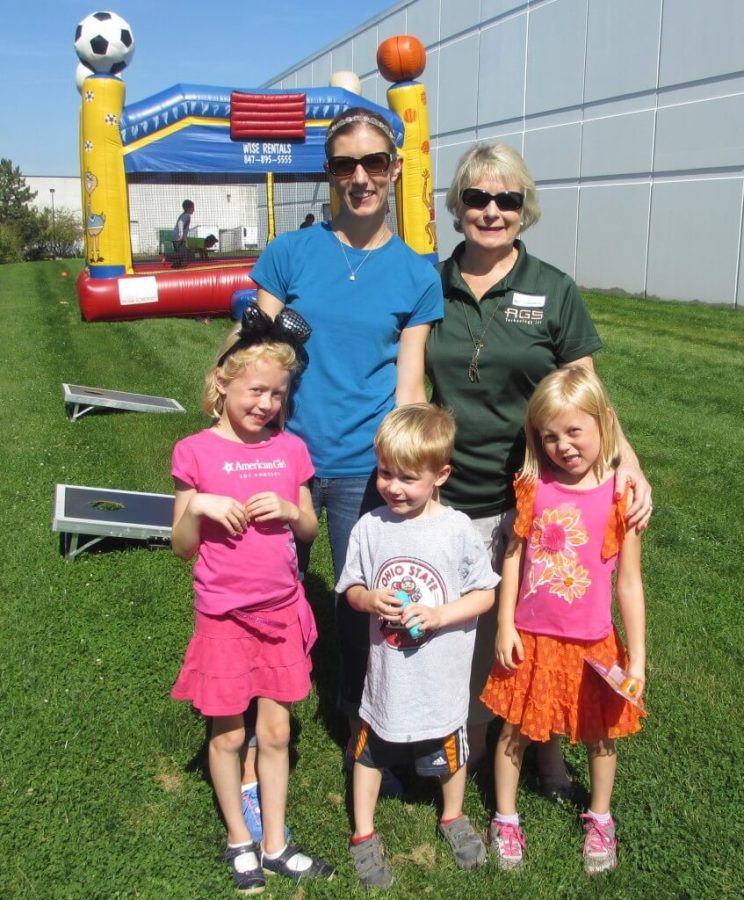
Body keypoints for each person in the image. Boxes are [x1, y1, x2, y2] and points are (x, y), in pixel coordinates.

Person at [425, 143, 652, 785]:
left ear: (525, 209)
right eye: (477, 198)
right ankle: (463, 748)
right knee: (464, 635)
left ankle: (543, 748)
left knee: (544, 626)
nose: (491, 211)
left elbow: (588, 394)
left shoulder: (553, 289)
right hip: (450, 492)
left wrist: (628, 464)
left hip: (537, 494)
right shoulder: (430, 284)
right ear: (457, 206)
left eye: (508, 199)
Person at [252, 107, 443, 755]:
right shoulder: (290, 253)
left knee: (363, 605)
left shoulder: (416, 275)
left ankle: (361, 722)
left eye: (373, 163)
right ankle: (263, 714)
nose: (360, 177)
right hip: (286, 460)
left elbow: (409, 386)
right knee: (270, 590)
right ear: (330, 173)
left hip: (367, 466)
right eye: (344, 165)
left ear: (394, 169)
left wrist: (419, 477)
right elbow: (252, 357)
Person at [170, 305, 334, 894]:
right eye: (255, 390)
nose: (266, 404)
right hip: (224, 615)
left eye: (277, 394)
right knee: (227, 734)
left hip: (281, 609)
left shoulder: (291, 450)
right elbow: (181, 547)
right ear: (222, 382)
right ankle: (240, 839)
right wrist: (199, 506)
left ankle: (276, 843)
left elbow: (309, 527)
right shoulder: (194, 452)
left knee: (277, 733)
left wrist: (292, 509)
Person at [480, 365, 646, 875]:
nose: (563, 446)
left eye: (574, 431)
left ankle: (600, 818)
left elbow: (629, 584)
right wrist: (505, 624)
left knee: (600, 735)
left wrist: (637, 659)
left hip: (594, 642)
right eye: (549, 436)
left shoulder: (621, 497)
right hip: (531, 638)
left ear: (604, 422)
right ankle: (505, 819)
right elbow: (513, 557)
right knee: (514, 731)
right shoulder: (533, 488)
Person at [336, 404, 499, 889]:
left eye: (408, 478)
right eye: (385, 473)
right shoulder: (370, 527)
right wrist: (368, 599)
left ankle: (453, 815)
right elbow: (351, 588)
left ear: (440, 475)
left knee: (451, 752)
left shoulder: (457, 529)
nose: (394, 487)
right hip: (387, 682)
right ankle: (363, 833)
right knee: (369, 754)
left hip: (440, 680)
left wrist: (439, 615)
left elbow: (485, 594)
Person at [172, 199, 194, 268]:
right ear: (189, 208)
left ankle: (176, 264)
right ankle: (166, 256)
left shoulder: (183, 214)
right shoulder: (187, 215)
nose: (193, 210)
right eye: (193, 208)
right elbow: (180, 222)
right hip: (179, 237)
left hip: (175, 236)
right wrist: (181, 235)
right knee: (183, 253)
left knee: (179, 253)